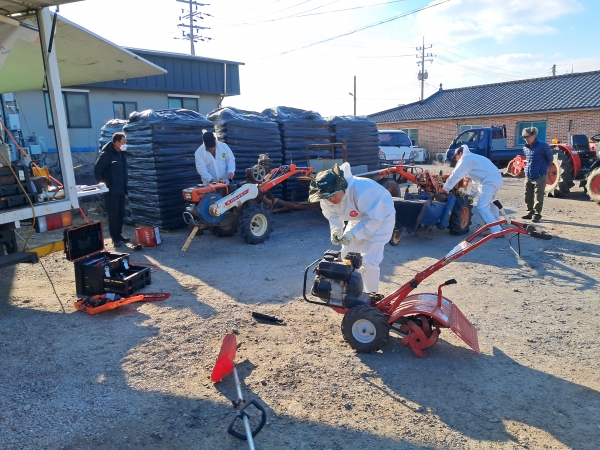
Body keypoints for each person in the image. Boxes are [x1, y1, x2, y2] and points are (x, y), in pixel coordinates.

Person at [309, 163, 396, 294]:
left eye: (333, 194)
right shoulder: (327, 198)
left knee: (368, 262)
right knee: (346, 257)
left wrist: (354, 234)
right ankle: (346, 293)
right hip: (358, 218)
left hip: (381, 217)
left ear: (341, 186)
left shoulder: (363, 190)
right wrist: (336, 230)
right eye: (326, 196)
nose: (331, 199)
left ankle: (370, 296)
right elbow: (332, 215)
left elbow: (375, 218)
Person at [441, 144, 504, 233]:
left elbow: (456, 175)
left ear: (460, 153)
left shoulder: (466, 159)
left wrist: (445, 189)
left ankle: (497, 230)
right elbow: (475, 181)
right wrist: (471, 195)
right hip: (495, 180)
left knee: (482, 207)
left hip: (489, 181)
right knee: (491, 203)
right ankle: (496, 224)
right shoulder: (473, 158)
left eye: (455, 157)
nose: (456, 160)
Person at [94, 132, 130, 248]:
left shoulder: (122, 154)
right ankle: (114, 238)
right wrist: (104, 185)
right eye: (123, 142)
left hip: (121, 190)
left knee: (120, 214)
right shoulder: (107, 155)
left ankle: (119, 235)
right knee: (113, 215)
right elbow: (97, 170)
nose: (125, 144)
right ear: (117, 143)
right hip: (111, 191)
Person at [520, 127, 553, 223]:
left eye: (527, 136)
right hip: (528, 175)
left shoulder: (543, 146)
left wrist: (544, 169)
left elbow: (550, 159)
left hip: (539, 175)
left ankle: (537, 214)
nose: (526, 139)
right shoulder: (525, 148)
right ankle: (530, 212)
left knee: (539, 195)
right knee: (528, 195)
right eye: (524, 137)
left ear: (534, 136)